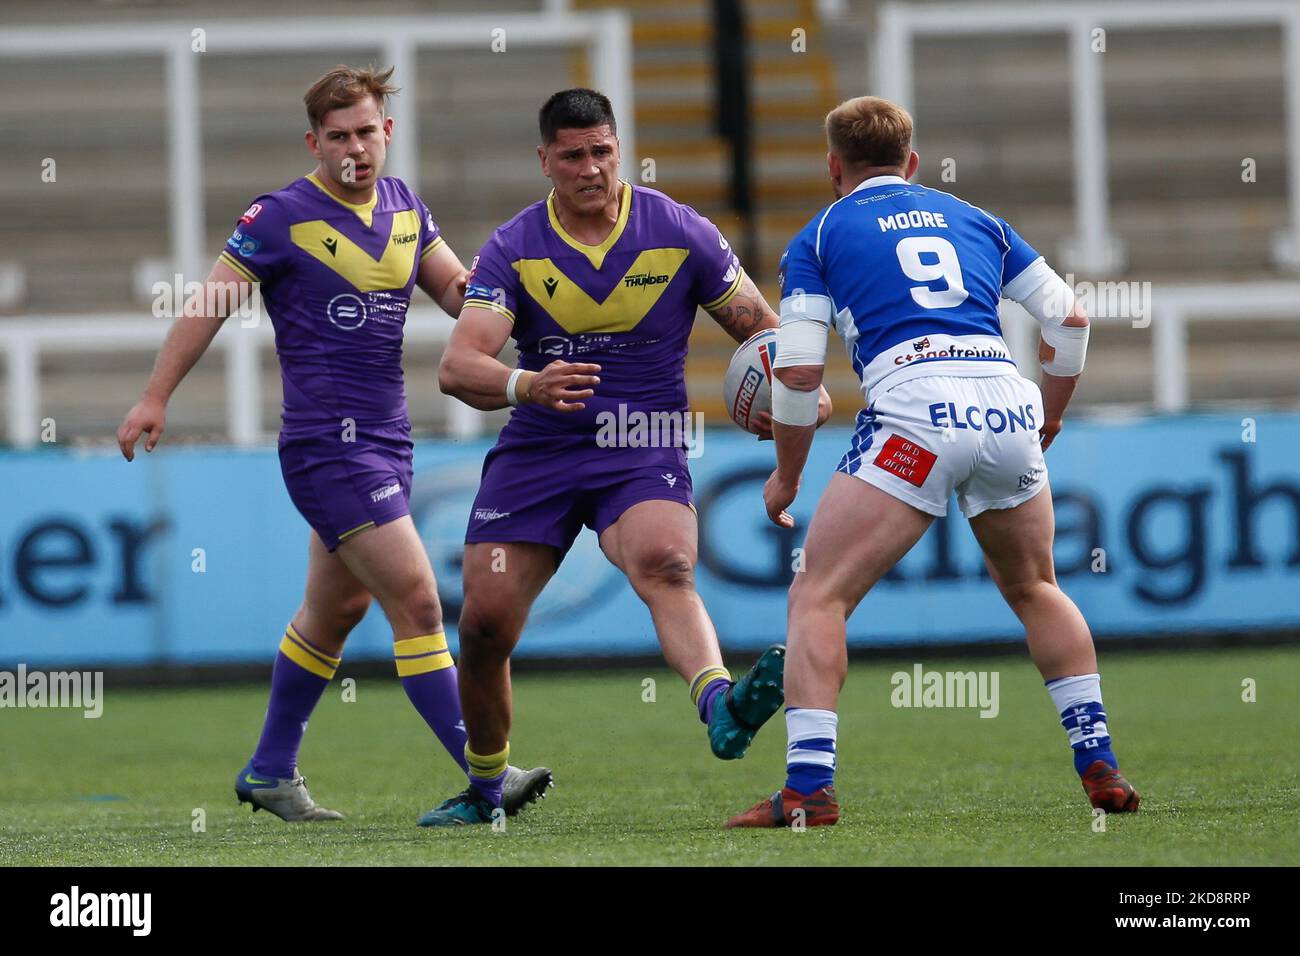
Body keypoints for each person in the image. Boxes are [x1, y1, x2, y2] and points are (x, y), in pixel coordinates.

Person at [116, 65, 552, 823]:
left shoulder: (406, 206)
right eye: (339, 136)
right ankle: (491, 774)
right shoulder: (279, 216)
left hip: (389, 442)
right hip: (327, 448)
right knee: (417, 601)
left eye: (368, 132)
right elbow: (208, 306)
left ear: (388, 131)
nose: (357, 148)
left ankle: (270, 771)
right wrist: (155, 396)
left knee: (335, 611)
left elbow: (459, 293)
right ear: (314, 143)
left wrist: (521, 310)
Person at [726, 95, 1140, 828]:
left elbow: (795, 371)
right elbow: (1070, 316)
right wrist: (1050, 411)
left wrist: (788, 475)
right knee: (1036, 586)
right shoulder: (978, 219)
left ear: (834, 167)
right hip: (1004, 398)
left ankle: (808, 789)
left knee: (819, 597)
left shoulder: (820, 234)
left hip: (916, 408)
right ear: (911, 162)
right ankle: (1097, 756)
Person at [420, 88, 831, 826]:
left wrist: (800, 394)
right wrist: (528, 383)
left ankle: (719, 706)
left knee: (665, 562)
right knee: (483, 625)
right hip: (541, 446)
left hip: (640, 442)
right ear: (545, 160)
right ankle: (486, 789)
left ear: (619, 147)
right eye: (572, 155)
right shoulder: (514, 247)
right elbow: (458, 366)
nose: (590, 168)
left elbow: (767, 337)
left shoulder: (680, 230)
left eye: (602, 151)